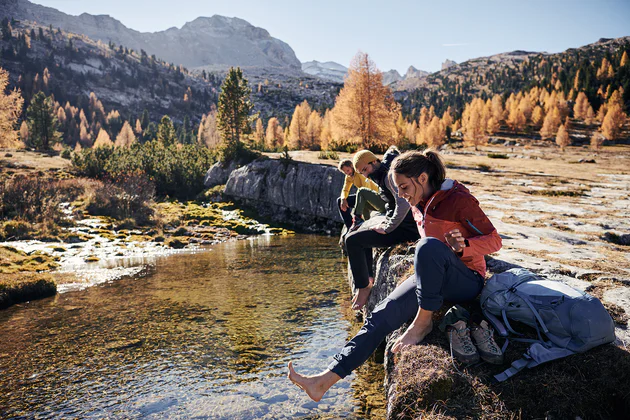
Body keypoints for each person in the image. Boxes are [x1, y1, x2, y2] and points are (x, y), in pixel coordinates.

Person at [288, 149, 502, 402]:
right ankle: (323, 381)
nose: (400, 194)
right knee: (381, 313)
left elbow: (494, 240)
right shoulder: (418, 203)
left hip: (466, 279)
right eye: (397, 188)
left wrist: (464, 245)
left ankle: (422, 323)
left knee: (428, 246)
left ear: (422, 178)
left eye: (403, 187)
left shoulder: (458, 200)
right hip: (433, 277)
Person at [344, 147, 419, 310]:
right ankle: (368, 280)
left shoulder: (389, 177)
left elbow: (404, 204)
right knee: (360, 237)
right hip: (404, 226)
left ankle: (364, 287)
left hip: (406, 229)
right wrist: (386, 223)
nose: (365, 174)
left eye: (365, 169)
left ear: (374, 162)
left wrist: (387, 227)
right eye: (362, 172)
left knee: (352, 241)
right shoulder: (385, 174)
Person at [336, 159, 380, 230]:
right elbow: (345, 189)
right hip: (362, 196)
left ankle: (359, 221)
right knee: (339, 201)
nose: (347, 173)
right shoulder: (349, 177)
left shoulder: (360, 173)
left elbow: (366, 189)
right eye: (344, 172)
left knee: (359, 197)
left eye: (347, 170)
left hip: (373, 197)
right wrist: (343, 199)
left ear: (351, 166)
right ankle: (350, 226)